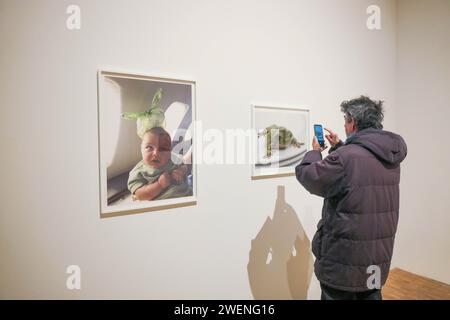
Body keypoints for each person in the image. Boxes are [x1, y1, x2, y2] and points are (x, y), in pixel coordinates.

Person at [295, 96, 407, 300]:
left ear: (353, 122)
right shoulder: (389, 154)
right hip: (376, 259)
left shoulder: (346, 158)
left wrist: (314, 152)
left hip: (344, 263)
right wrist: (340, 147)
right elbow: (357, 172)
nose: (345, 125)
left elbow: (309, 176)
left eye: (346, 120)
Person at [127, 127, 192, 201]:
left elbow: (184, 165)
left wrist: (181, 171)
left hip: (186, 195)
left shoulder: (173, 158)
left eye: (163, 149)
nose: (156, 153)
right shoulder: (139, 172)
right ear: (141, 149)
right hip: (162, 204)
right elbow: (140, 195)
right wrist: (159, 185)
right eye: (149, 147)